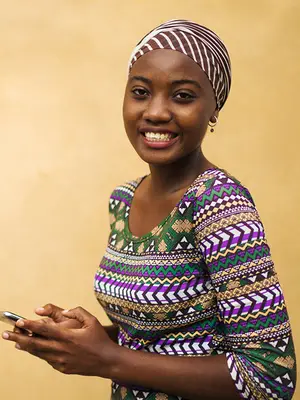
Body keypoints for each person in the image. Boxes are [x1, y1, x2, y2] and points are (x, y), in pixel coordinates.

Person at [2, 19, 296, 400]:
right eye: (141, 92)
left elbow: (271, 377)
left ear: (214, 108)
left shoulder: (219, 205)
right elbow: (161, 339)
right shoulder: (123, 200)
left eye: (183, 96)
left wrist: (106, 359)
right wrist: (82, 340)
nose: (156, 112)